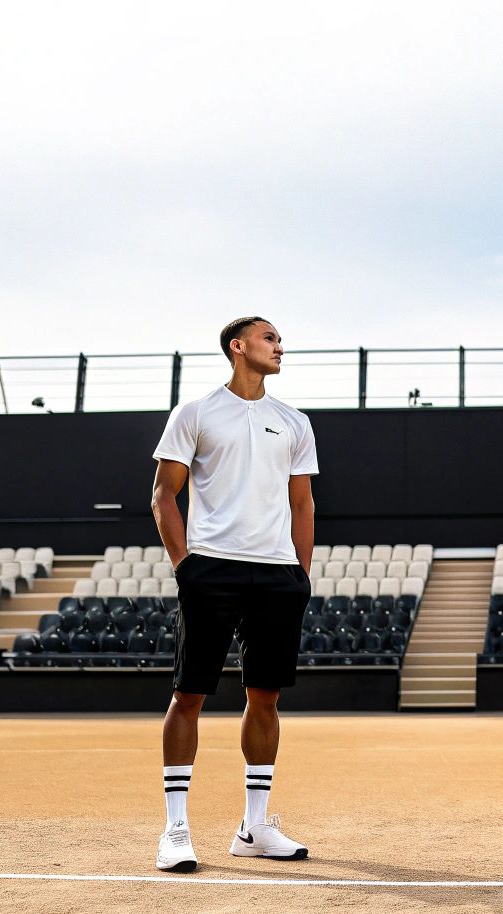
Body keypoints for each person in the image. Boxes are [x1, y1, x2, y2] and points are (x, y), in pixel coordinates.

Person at [149, 316, 318, 872]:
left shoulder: (293, 421)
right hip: (212, 571)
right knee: (189, 696)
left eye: (279, 339)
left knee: (265, 697)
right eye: (269, 338)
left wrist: (300, 572)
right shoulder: (194, 413)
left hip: (275, 576)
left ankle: (255, 826)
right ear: (237, 347)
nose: (279, 346)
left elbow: (302, 505)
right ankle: (176, 829)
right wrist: (185, 565)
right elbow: (163, 496)